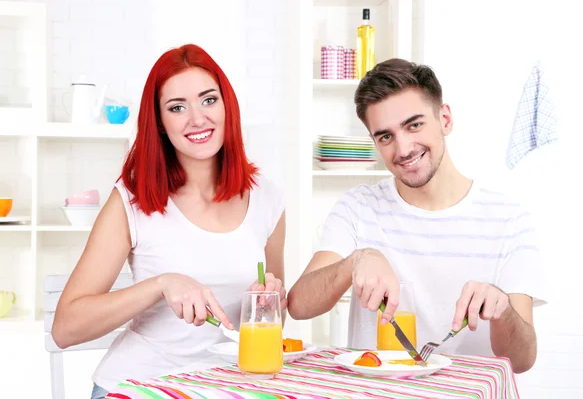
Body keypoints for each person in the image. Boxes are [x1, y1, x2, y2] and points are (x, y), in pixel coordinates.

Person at [51, 44, 287, 398]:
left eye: (208, 100)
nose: (197, 118)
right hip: (141, 386)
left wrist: (267, 303)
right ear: (160, 124)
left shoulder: (267, 198)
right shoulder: (131, 201)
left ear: (227, 107)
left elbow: (275, 319)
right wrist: (160, 285)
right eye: (177, 107)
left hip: (231, 387)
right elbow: (65, 329)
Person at [287, 58, 545, 373]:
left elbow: (522, 360)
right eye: (385, 136)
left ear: (445, 119)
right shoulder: (358, 207)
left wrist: (501, 307)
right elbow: (299, 306)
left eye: (414, 124)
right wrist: (354, 261)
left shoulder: (508, 220)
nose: (403, 148)